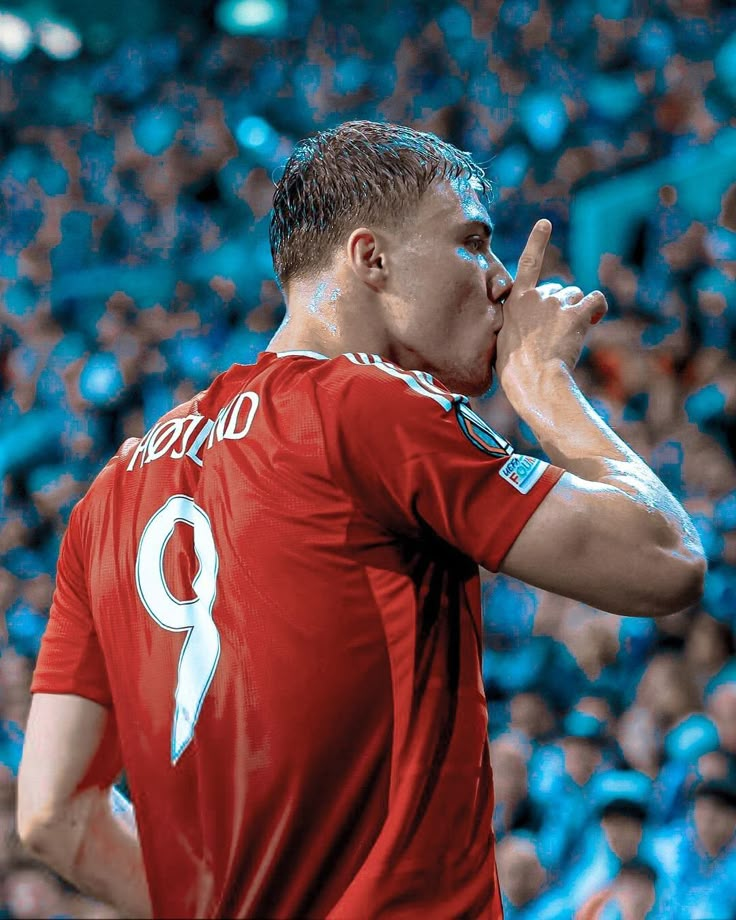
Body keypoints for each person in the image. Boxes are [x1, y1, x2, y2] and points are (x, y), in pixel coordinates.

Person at [17, 121, 705, 919]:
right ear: (371, 258)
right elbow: (664, 558)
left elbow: (51, 814)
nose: (500, 282)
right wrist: (541, 380)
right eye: (473, 243)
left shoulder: (109, 494)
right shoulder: (362, 403)